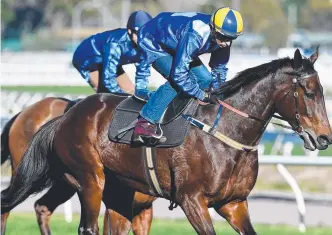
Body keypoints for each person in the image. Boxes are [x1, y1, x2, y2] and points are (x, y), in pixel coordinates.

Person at [131, 7, 244, 145]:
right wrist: (202, 95)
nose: (226, 43)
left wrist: (218, 93)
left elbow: (219, 69)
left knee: (206, 80)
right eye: (224, 37)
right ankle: (144, 123)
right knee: (177, 83)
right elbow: (179, 75)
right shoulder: (196, 34)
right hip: (154, 42)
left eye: (231, 39)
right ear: (214, 29)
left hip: (177, 42)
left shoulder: (223, 35)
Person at [72, 10, 153, 98]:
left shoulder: (146, 45)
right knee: (104, 96)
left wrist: (140, 95)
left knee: (131, 91)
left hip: (109, 60)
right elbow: (108, 79)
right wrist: (122, 97)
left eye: (146, 34)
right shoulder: (115, 45)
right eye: (139, 34)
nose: (143, 38)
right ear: (130, 31)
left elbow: (142, 74)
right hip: (87, 60)